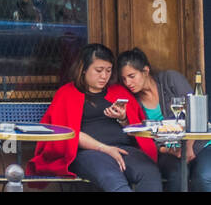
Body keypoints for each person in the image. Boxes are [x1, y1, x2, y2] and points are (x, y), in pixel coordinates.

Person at [28, 43, 161, 191]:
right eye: (98, 70)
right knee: (114, 181)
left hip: (124, 149)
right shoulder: (67, 94)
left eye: (108, 70)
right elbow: (67, 133)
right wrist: (105, 148)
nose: (104, 76)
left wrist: (124, 119)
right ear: (84, 69)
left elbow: (137, 129)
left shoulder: (119, 92)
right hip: (89, 152)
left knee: (150, 174)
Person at [117, 47, 211, 192]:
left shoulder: (170, 79)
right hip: (167, 152)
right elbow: (141, 139)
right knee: (177, 175)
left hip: (199, 144)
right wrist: (167, 150)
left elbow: (194, 111)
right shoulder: (132, 100)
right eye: (124, 79)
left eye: (131, 76)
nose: (128, 82)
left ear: (146, 71)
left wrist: (189, 146)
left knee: (203, 177)